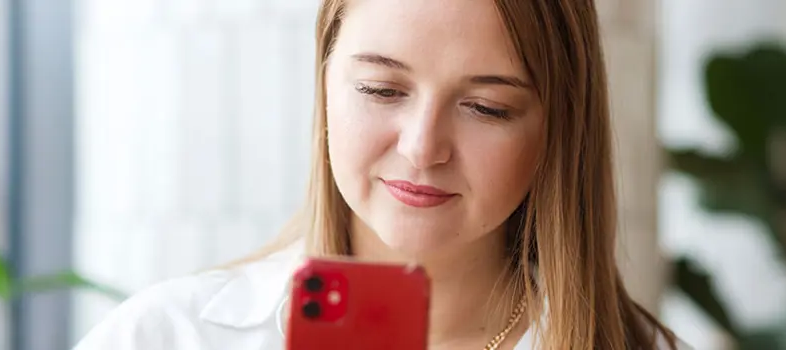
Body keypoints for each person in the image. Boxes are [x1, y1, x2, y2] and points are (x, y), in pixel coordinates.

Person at [75, 0, 685, 349]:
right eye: (382, 89)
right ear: (325, 84)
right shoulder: (164, 337)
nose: (422, 149)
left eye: (486, 108)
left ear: (558, 128)